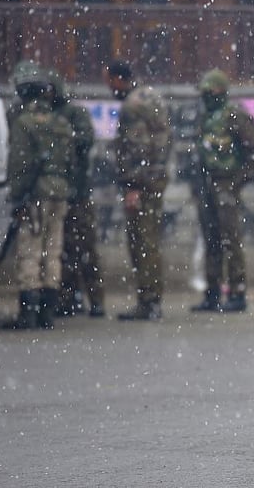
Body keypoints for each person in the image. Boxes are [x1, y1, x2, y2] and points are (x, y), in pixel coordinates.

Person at [0, 62, 72, 330]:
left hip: (36, 193)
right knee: (52, 252)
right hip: (59, 192)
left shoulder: (24, 123)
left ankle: (28, 314)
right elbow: (70, 161)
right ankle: (47, 313)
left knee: (29, 251)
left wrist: (17, 197)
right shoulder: (59, 122)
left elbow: (19, 164)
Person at [189, 68, 254, 313]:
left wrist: (236, 181)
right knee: (210, 239)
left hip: (225, 185)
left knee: (230, 240)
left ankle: (237, 292)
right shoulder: (205, 117)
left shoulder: (234, 115)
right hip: (206, 185)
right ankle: (212, 293)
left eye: (210, 92)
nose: (206, 97)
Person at [106, 60, 171, 321]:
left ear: (119, 79)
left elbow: (138, 146)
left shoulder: (133, 106)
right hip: (156, 178)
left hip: (142, 182)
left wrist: (133, 186)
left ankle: (149, 301)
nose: (109, 86)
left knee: (141, 241)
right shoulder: (151, 96)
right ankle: (151, 298)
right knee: (150, 240)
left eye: (109, 80)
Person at [48, 69, 106, 318]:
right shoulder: (47, 115)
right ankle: (68, 299)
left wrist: (63, 140)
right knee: (63, 252)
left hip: (78, 193)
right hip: (59, 193)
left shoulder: (74, 114)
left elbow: (85, 141)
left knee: (86, 250)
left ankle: (96, 300)